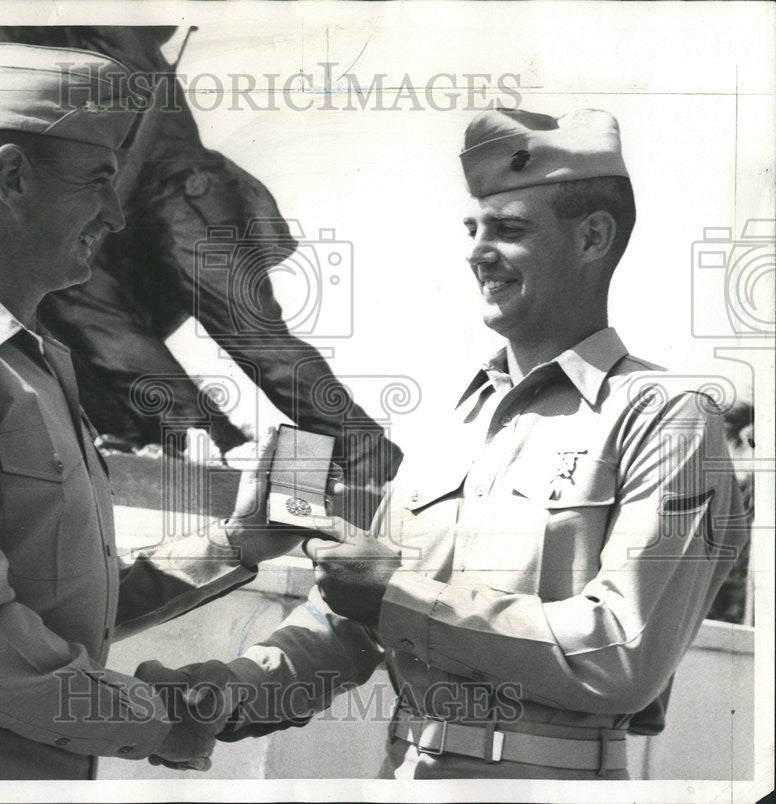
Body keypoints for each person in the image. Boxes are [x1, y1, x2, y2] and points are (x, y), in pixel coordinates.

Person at [138, 107, 750, 779]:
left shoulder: (666, 418)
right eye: (473, 228)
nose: (477, 252)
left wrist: (396, 592)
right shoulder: (452, 425)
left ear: (593, 238)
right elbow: (350, 626)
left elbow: (619, 657)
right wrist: (227, 690)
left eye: (509, 230)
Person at [0, 42, 307, 781]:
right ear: (12, 176)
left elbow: (65, 607)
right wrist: (155, 723)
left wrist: (237, 544)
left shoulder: (26, 364)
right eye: (98, 181)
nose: (116, 215)